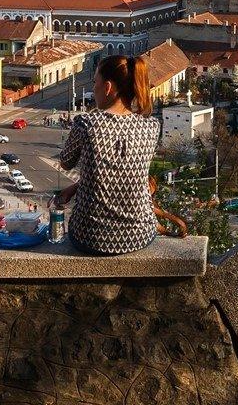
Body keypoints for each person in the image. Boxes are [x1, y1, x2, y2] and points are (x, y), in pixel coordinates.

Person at [52, 54, 161, 255]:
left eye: (95, 82)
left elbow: (66, 163)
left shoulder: (86, 124)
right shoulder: (151, 127)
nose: (93, 89)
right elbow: (124, 171)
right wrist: (77, 187)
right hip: (139, 235)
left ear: (108, 87)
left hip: (90, 236)